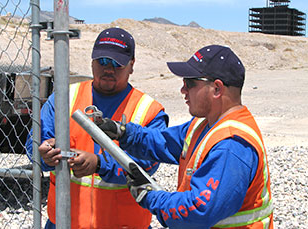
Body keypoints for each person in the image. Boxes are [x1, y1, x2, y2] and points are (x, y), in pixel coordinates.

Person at [97, 45, 274, 228]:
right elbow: (163, 142)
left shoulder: (231, 145)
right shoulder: (203, 125)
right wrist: (123, 132)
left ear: (217, 89)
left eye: (189, 83)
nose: (183, 90)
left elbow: (199, 210)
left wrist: (151, 196)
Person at [25, 27, 168, 228]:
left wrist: (100, 164)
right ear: (92, 61)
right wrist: (44, 155)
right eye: (102, 61)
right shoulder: (64, 98)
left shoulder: (149, 111)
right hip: (65, 223)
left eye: (116, 63)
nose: (108, 69)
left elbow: (147, 164)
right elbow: (34, 144)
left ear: (132, 65)